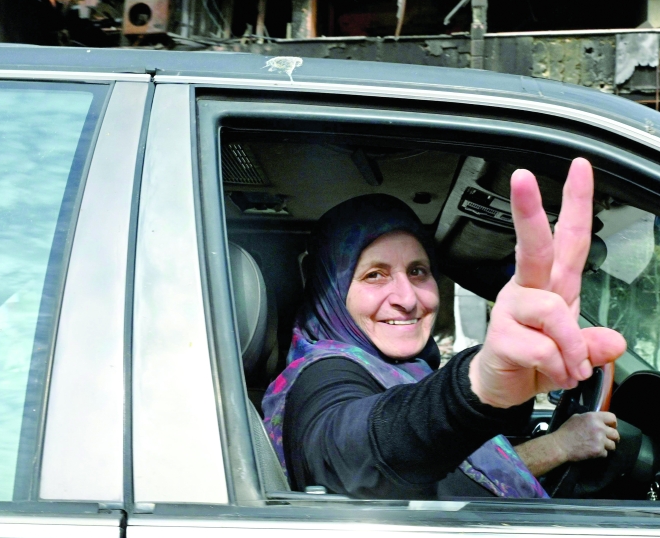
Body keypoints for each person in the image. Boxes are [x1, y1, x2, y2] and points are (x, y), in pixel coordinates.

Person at [262, 158, 627, 498]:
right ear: (331, 291)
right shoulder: (321, 375)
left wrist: (555, 443)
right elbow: (351, 459)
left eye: (418, 271)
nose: (407, 298)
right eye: (375, 275)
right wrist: (476, 384)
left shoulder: (402, 369)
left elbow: (453, 472)